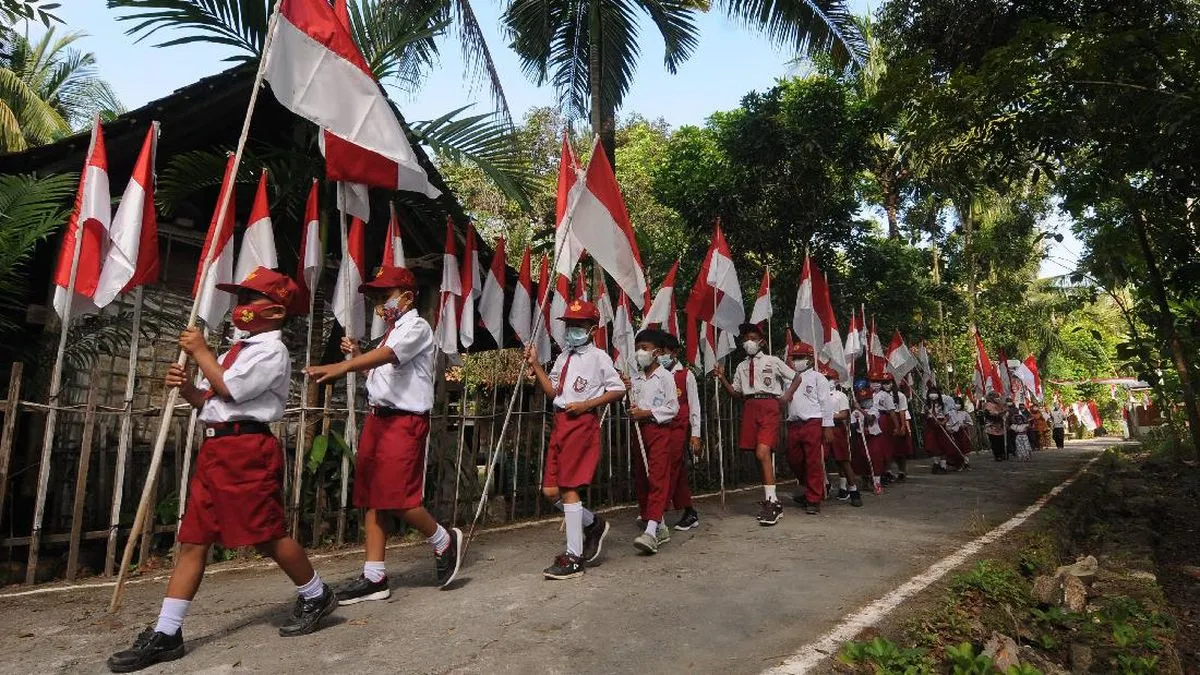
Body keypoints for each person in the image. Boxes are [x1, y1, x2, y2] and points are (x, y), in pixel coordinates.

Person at [108, 268, 335, 674]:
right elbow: (211, 400)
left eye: (249, 299)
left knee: (266, 534)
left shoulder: (270, 351)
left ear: (277, 310)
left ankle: (316, 593)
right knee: (194, 539)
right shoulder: (238, 349)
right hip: (217, 447)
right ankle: (168, 632)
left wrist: (199, 352)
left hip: (247, 449)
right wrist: (187, 388)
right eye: (240, 298)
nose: (240, 307)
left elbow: (231, 390)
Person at [305, 267, 462, 603]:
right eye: (376, 298)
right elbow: (381, 372)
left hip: (404, 422)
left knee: (397, 498)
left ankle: (442, 539)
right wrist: (358, 356)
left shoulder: (417, 327)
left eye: (384, 296)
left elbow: (390, 357)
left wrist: (342, 366)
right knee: (373, 497)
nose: (379, 304)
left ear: (406, 297)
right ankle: (374, 576)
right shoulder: (391, 333)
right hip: (378, 420)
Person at [523, 299, 626, 579]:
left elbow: (617, 390)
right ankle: (592, 523)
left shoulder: (599, 358)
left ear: (592, 329)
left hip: (581, 423)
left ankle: (574, 556)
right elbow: (553, 392)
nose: (571, 331)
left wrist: (587, 404)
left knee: (569, 487)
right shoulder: (563, 356)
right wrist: (536, 365)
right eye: (568, 325)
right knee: (551, 491)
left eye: (578, 326)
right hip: (560, 422)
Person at [714, 323, 795, 526]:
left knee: (762, 452)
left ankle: (771, 502)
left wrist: (786, 396)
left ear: (761, 341)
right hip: (750, 406)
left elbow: (796, 377)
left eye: (752, 338)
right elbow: (736, 392)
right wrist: (722, 378)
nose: (748, 342)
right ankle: (772, 500)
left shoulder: (772, 361)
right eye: (745, 339)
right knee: (758, 455)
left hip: (768, 404)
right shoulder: (741, 366)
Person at [626, 329, 681, 554]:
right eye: (638, 348)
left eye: (645, 348)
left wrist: (647, 413)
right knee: (642, 478)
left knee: (658, 476)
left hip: (659, 431)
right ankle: (658, 524)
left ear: (656, 352)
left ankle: (650, 531)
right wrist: (629, 401)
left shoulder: (666, 377)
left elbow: (673, 408)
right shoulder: (637, 379)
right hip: (640, 432)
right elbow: (632, 408)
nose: (640, 352)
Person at [779, 342, 835, 514]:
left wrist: (827, 426)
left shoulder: (819, 378)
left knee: (813, 461)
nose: (797, 361)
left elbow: (826, 404)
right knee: (794, 459)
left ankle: (813, 499)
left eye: (801, 358)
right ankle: (812, 485)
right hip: (794, 423)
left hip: (813, 422)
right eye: (795, 358)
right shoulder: (789, 379)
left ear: (810, 359)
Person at [661, 334, 702, 531]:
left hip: (678, 428)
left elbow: (695, 406)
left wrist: (696, 434)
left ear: (675, 353)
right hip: (659, 427)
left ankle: (657, 512)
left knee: (669, 468)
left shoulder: (686, 375)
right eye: (658, 352)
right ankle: (689, 512)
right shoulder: (657, 374)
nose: (661, 356)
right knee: (677, 472)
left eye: (665, 352)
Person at [821, 364, 862, 506]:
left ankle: (853, 489)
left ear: (836, 381)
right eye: (824, 378)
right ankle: (824, 485)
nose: (827, 381)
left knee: (843, 460)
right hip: (822, 429)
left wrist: (830, 416)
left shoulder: (840, 396)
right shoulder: (819, 395)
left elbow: (844, 414)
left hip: (837, 430)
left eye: (829, 378)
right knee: (821, 459)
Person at [849, 380, 886, 494]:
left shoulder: (874, 409)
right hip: (861, 437)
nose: (866, 402)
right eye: (864, 400)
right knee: (862, 459)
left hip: (874, 437)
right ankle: (865, 480)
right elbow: (852, 425)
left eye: (868, 399)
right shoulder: (855, 412)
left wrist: (860, 409)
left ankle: (877, 482)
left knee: (875, 459)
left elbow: (871, 420)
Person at [869, 369, 899, 484]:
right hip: (869, 420)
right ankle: (873, 473)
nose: (875, 383)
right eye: (873, 381)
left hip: (883, 420)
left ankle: (884, 472)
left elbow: (892, 412)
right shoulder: (867, 394)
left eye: (877, 381)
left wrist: (896, 426)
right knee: (873, 449)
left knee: (884, 448)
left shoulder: (885, 395)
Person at [923, 385, 952, 474]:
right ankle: (936, 464)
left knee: (943, 445)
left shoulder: (942, 405)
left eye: (935, 393)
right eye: (931, 393)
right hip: (930, 426)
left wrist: (942, 422)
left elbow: (947, 416)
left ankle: (943, 466)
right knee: (932, 445)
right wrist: (926, 411)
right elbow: (923, 417)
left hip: (940, 426)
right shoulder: (925, 405)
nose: (933, 395)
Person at [982, 393, 1008, 461]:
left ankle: (1003, 454)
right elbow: (988, 414)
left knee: (1001, 440)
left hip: (1000, 426)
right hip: (991, 426)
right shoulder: (987, 404)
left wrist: (1002, 405)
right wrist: (997, 414)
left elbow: (1006, 410)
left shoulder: (1000, 404)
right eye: (994, 397)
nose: (996, 398)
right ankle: (997, 455)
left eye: (997, 397)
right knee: (994, 441)